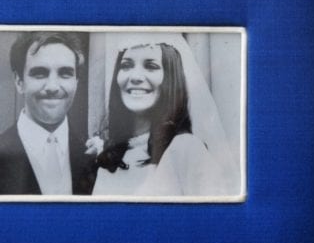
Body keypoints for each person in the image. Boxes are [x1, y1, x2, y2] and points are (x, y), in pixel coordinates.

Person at [92, 35, 238, 197]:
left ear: (170, 78)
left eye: (151, 66)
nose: (135, 77)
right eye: (126, 65)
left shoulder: (186, 149)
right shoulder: (110, 160)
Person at [0, 31, 95, 195]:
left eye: (65, 73)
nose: (53, 87)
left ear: (76, 82)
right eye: (40, 73)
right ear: (19, 82)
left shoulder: (94, 157)